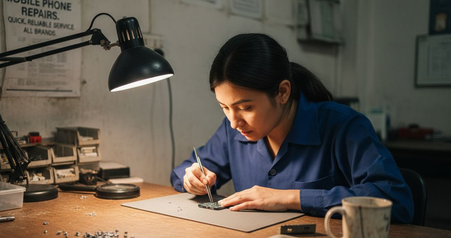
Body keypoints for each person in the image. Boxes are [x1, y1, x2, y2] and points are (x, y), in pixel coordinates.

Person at [170, 33, 413, 223]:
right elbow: (182, 171)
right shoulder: (232, 130)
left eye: (245, 107)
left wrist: (289, 198)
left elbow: (395, 200)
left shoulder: (343, 126)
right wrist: (191, 179)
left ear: (282, 92)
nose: (234, 122)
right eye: (224, 107)